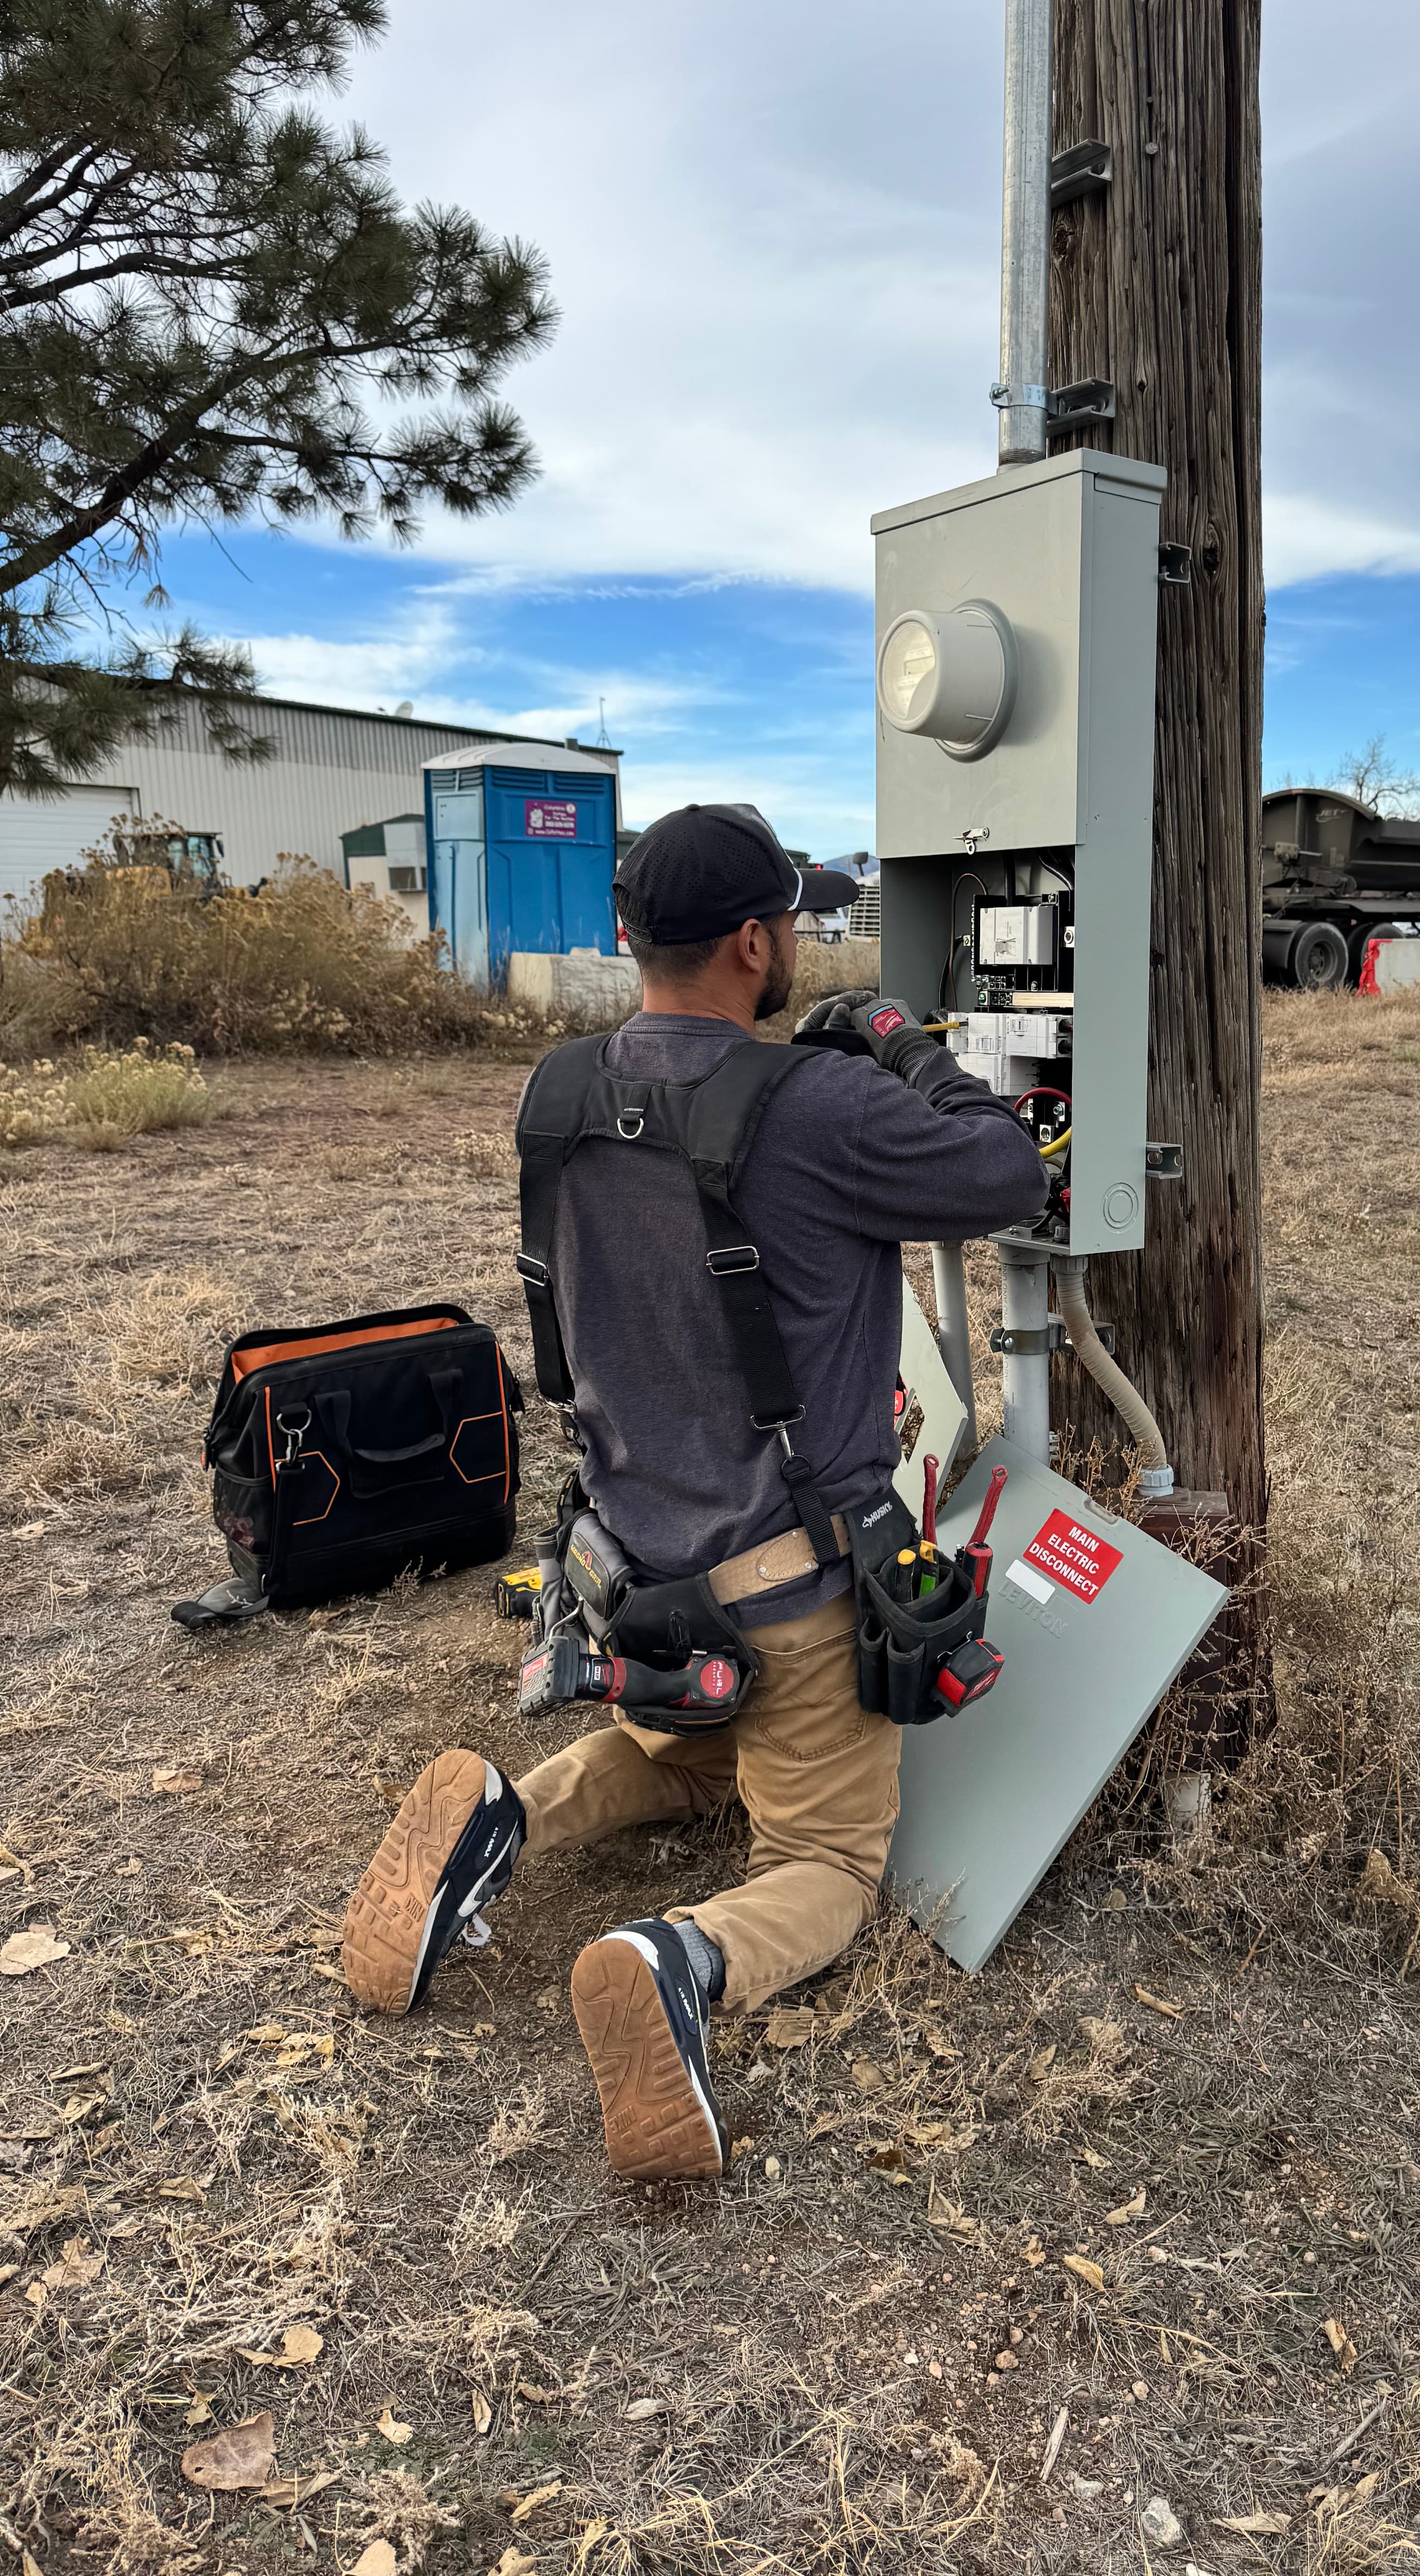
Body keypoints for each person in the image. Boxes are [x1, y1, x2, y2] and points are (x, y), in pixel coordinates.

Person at [339, 803, 1048, 2181]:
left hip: (630, 1572)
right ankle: (682, 1959)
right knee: (830, 1865)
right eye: (796, 921)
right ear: (753, 941)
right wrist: (903, 1045)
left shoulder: (556, 1091)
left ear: (624, 936)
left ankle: (502, 1807)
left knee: (682, 1755)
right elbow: (1010, 1170)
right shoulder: (820, 1103)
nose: (802, 942)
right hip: (788, 1585)